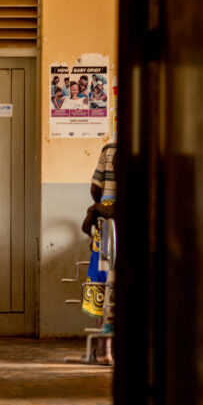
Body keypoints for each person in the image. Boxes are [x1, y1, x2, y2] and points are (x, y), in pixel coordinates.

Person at [80, 141, 117, 365]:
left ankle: (104, 351)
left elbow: (95, 189)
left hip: (108, 220)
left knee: (101, 281)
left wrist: (99, 206)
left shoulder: (109, 149)